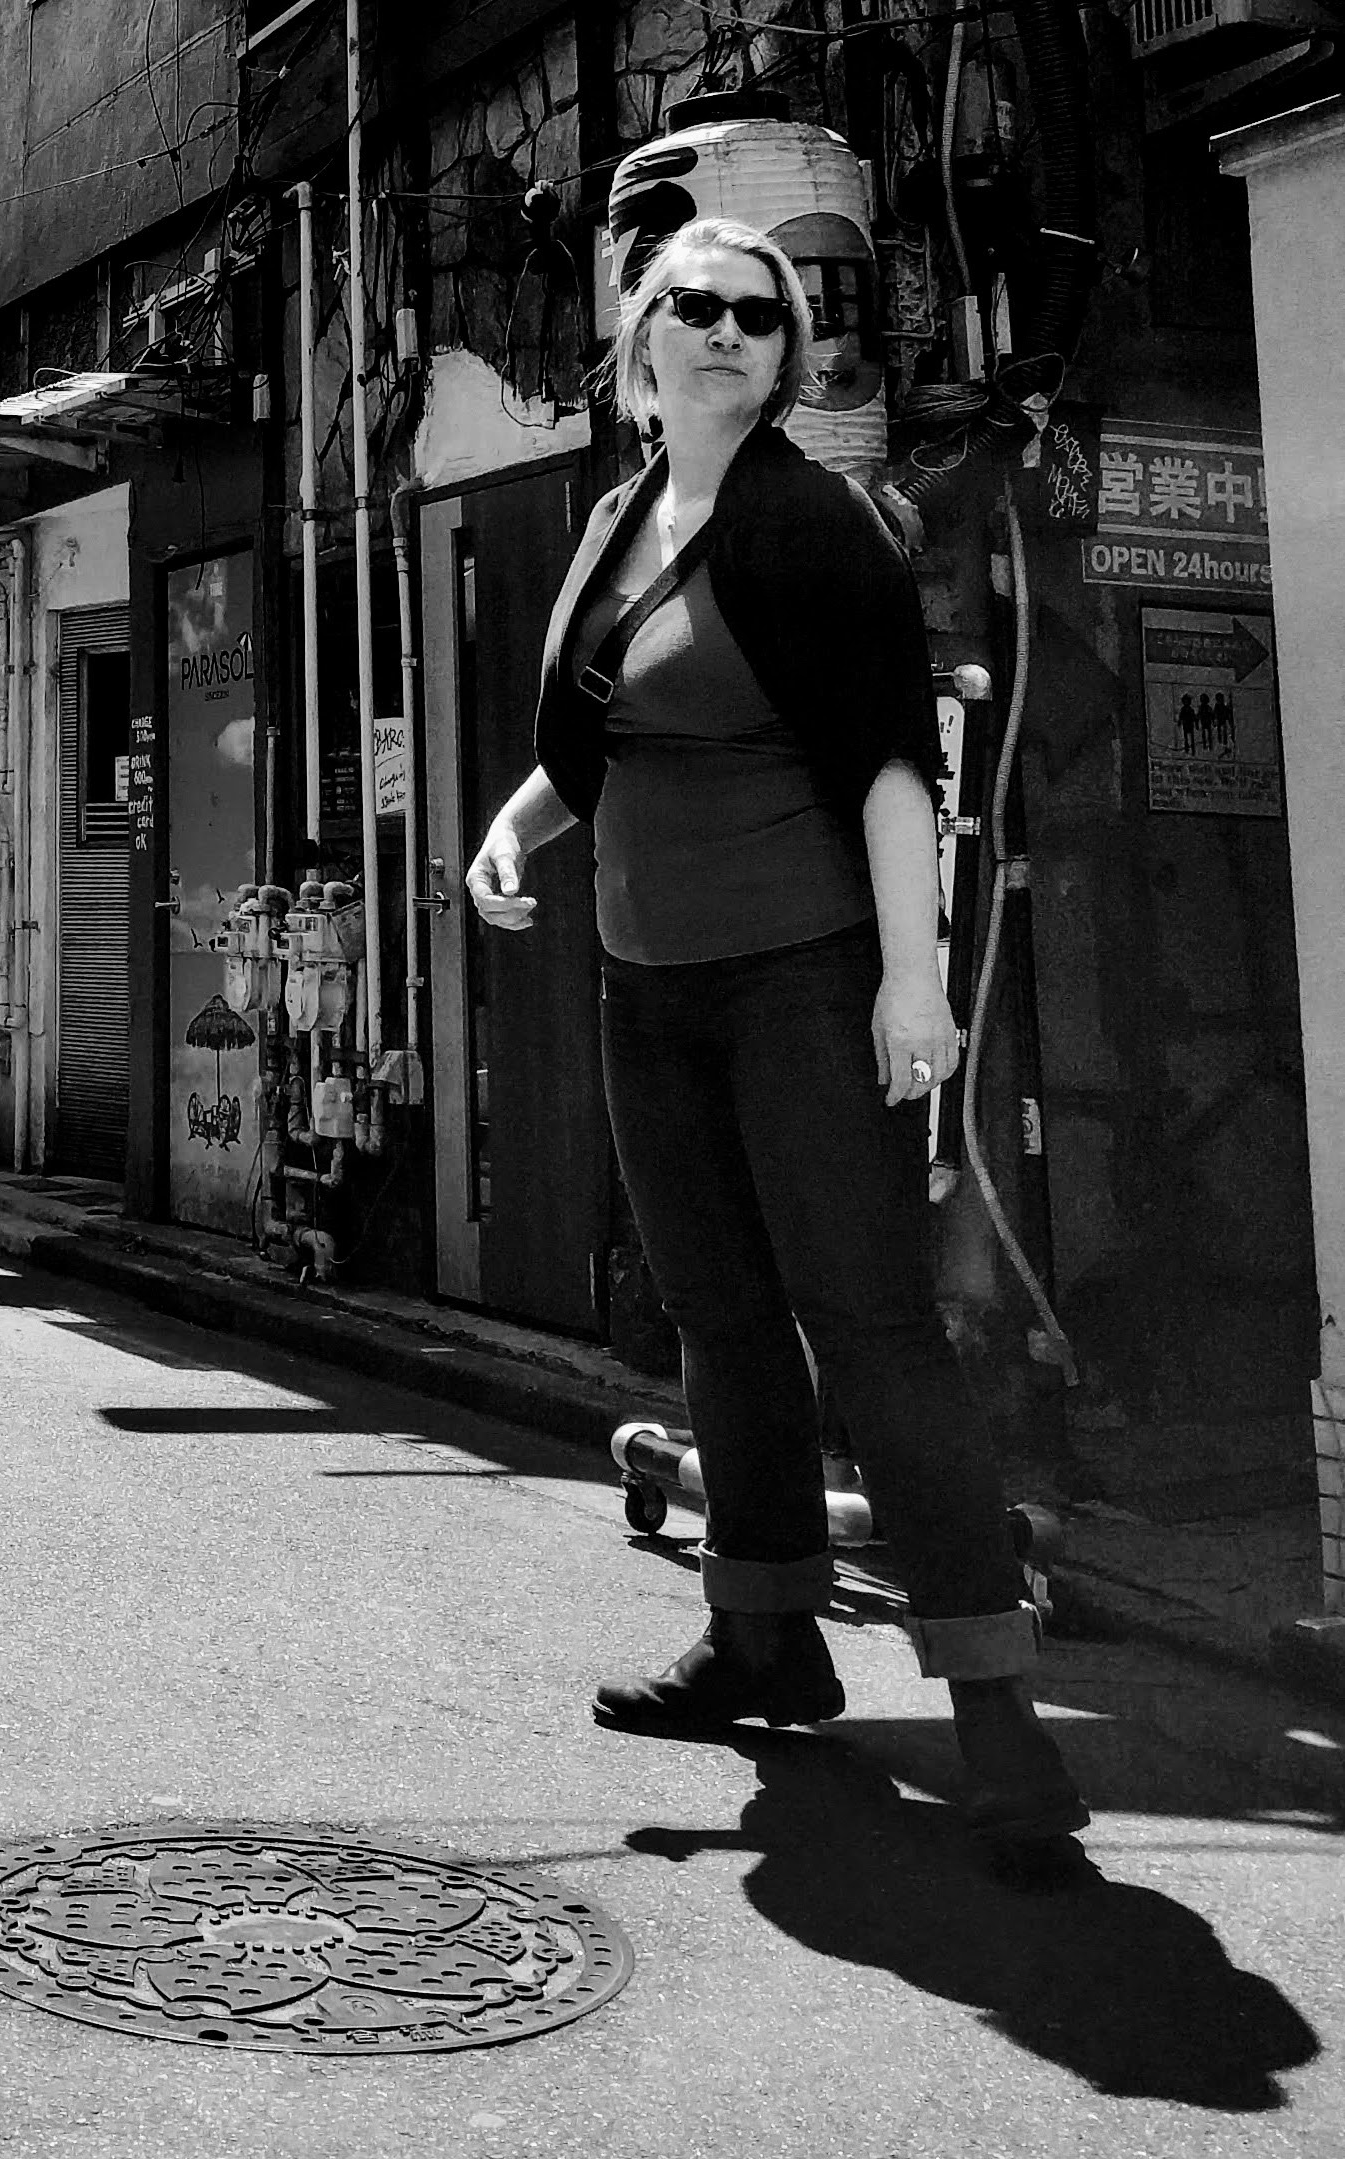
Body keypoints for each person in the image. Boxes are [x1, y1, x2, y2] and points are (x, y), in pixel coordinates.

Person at [468, 217, 1086, 1850]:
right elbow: (600, 736)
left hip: (803, 979)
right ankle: (761, 1642)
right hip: (644, 985)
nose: (732, 330)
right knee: (718, 1322)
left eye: (762, 314)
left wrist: (911, 981)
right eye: (700, 306)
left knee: (866, 1328)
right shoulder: (617, 520)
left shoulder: (815, 527)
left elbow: (890, 766)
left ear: (784, 352)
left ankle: (995, 1710)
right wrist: (514, 827)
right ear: (641, 336)